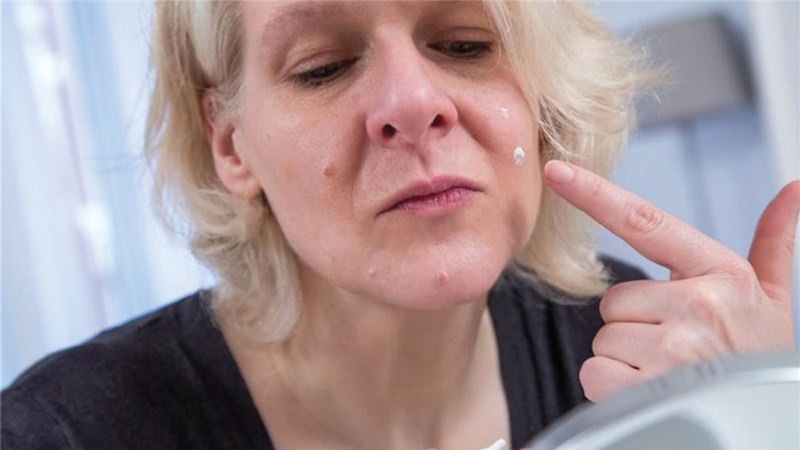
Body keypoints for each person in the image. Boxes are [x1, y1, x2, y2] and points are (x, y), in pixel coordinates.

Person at [3, 1, 797, 449]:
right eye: (322, 67)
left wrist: (760, 415)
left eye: (463, 45)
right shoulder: (62, 434)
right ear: (231, 144)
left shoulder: (647, 361)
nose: (414, 104)